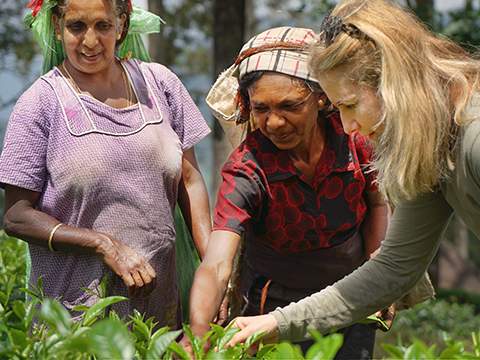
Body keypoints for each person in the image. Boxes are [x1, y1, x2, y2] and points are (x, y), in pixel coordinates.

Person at [223, 0, 480, 349]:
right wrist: (275, 323)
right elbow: (393, 269)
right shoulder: (431, 150)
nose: (347, 125)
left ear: (394, 81)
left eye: (349, 105)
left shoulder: (472, 137)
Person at [181, 27, 392, 359]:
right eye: (261, 108)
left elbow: (378, 202)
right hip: (271, 303)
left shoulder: (354, 137)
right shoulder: (248, 168)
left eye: (289, 106)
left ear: (322, 97)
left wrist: (379, 274)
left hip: (351, 296)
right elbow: (217, 264)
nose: (274, 122)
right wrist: (199, 330)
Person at [0, 0, 211, 330]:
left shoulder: (160, 85)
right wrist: (103, 244)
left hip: (157, 316)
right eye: (76, 27)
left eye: (103, 26)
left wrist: (212, 268)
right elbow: (15, 216)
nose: (90, 41)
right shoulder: (40, 103)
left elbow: (189, 178)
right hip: (74, 320)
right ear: (56, 26)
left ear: (122, 24)